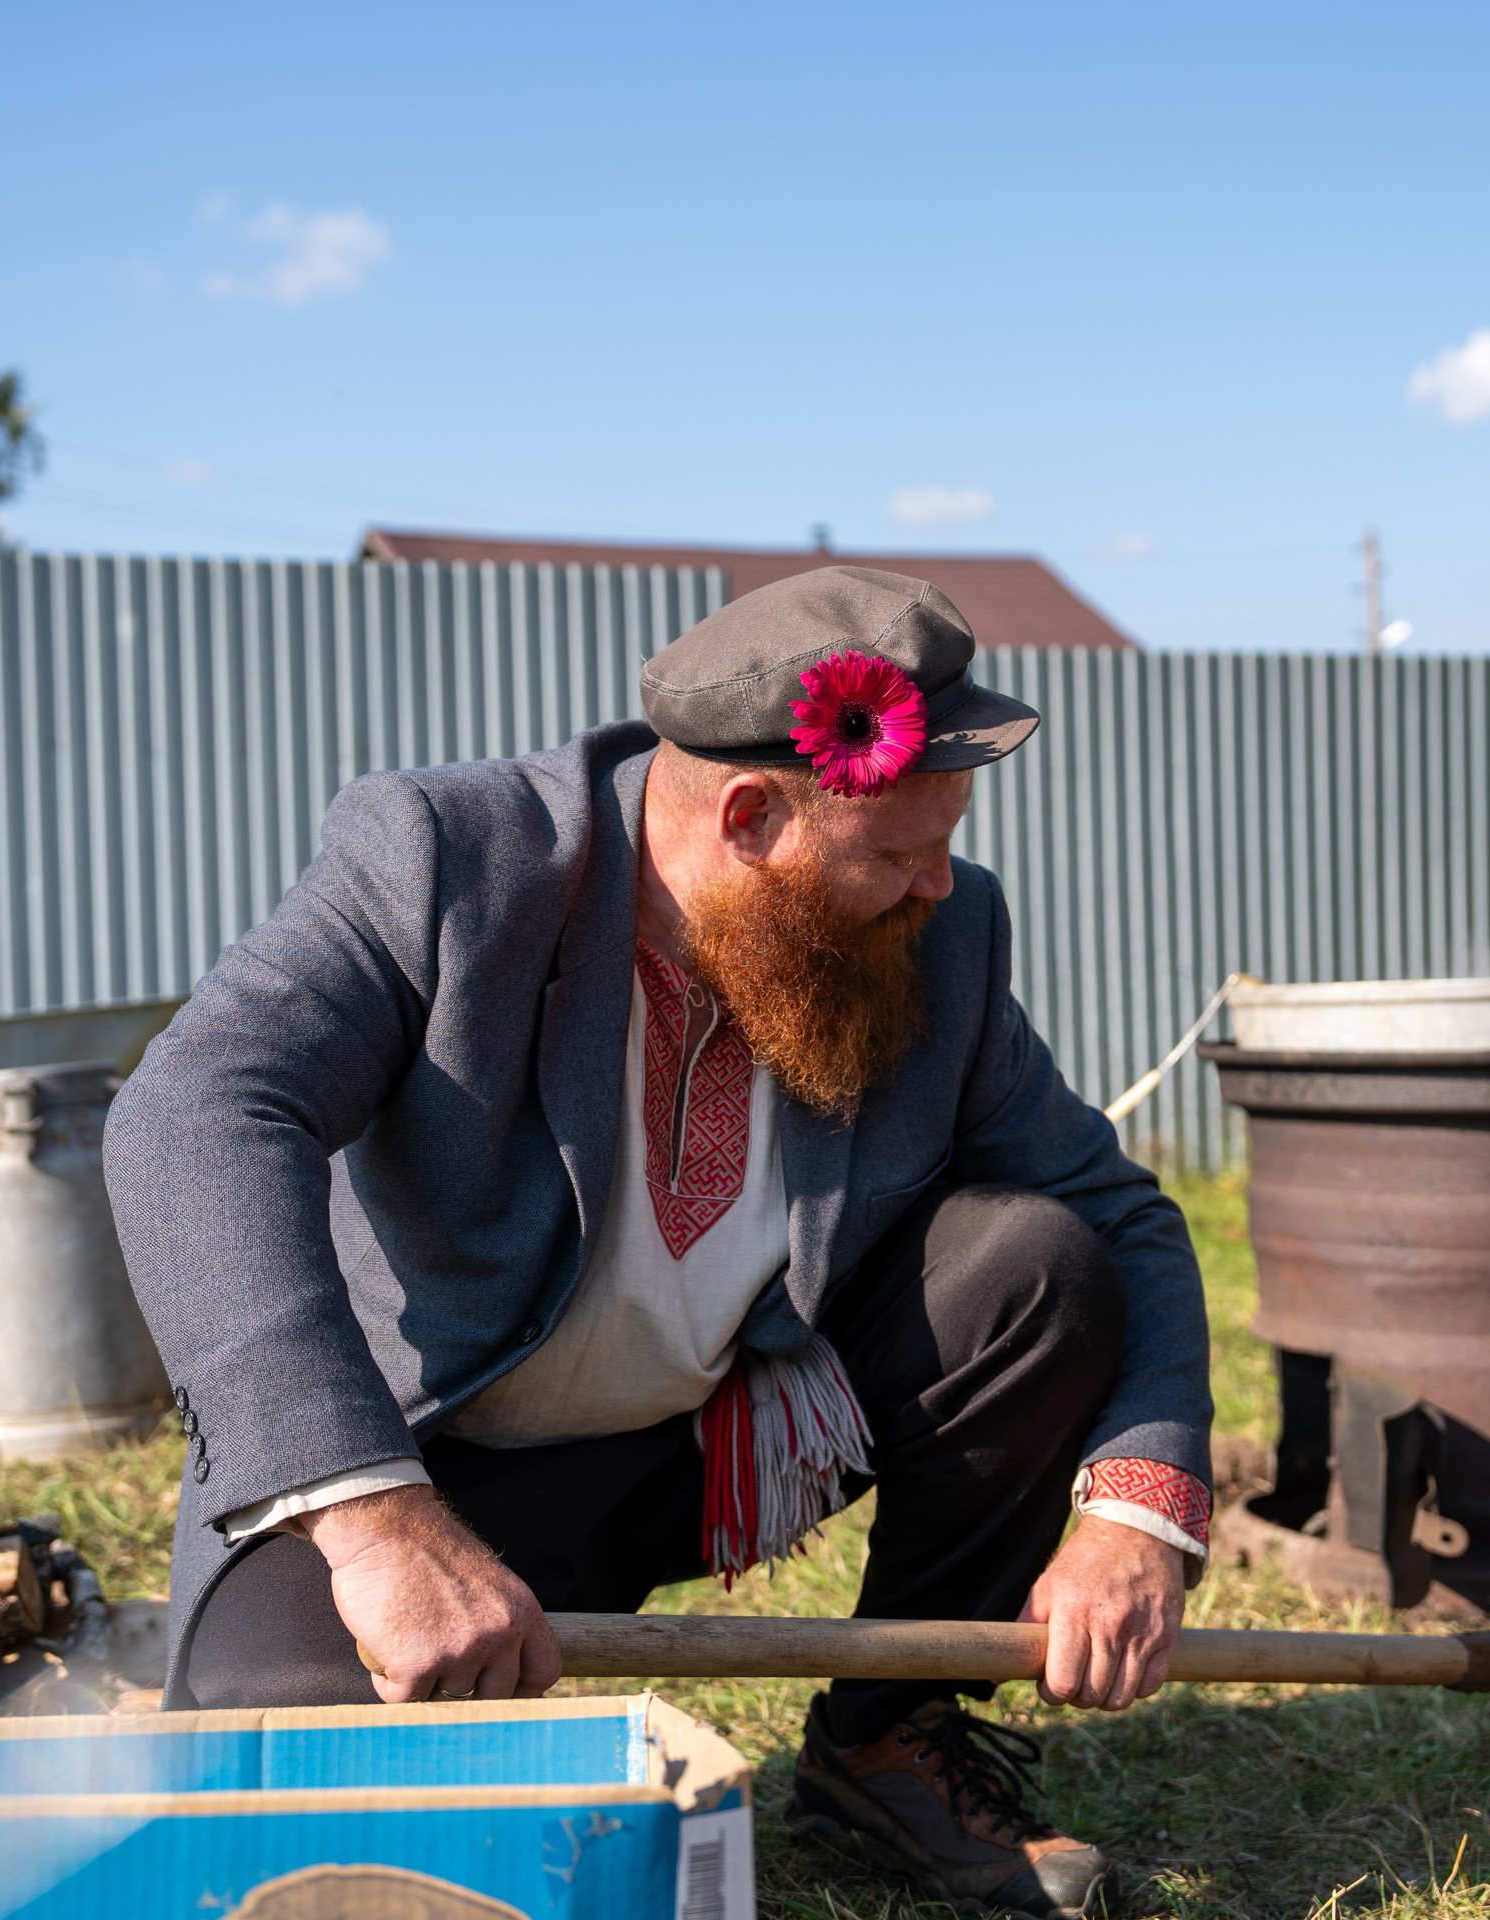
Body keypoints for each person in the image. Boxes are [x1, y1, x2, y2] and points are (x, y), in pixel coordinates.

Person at [104, 565, 1214, 1920]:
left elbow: (1115, 1214)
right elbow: (196, 1112)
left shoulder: (943, 933)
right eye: (894, 856)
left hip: (709, 1452)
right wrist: (382, 1527)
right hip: (423, 1474)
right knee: (300, 1835)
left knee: (1035, 1269)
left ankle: (886, 1738)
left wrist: (1134, 1508)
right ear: (749, 817)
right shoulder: (444, 859)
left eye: (945, 844)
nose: (939, 883)